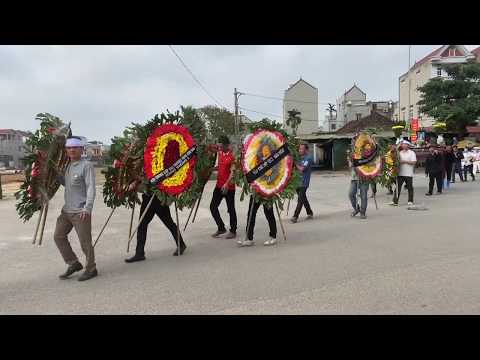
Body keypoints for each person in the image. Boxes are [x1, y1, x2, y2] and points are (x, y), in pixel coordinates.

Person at [54, 136, 97, 281]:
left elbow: (91, 187)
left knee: (85, 242)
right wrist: (54, 175)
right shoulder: (68, 166)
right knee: (58, 236)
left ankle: (91, 268)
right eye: (69, 148)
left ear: (81, 149)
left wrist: (87, 208)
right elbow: (68, 184)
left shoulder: (86, 166)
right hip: (66, 211)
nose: (72, 150)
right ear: (66, 150)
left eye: (75, 147)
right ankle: (73, 263)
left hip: (80, 212)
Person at [125, 181, 186, 263]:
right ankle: (139, 253)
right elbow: (142, 179)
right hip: (147, 198)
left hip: (159, 198)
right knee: (142, 224)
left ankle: (181, 244)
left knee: (169, 223)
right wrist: (134, 184)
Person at [209, 135, 237, 239]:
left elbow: (232, 172)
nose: (219, 148)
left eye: (221, 146)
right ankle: (221, 228)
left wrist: (227, 183)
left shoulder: (232, 156)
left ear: (226, 145)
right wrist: (212, 169)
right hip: (219, 185)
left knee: (231, 209)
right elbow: (220, 167)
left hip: (229, 187)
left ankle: (233, 231)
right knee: (212, 207)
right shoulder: (220, 154)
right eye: (219, 146)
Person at [291, 143, 314, 223]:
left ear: (306, 150)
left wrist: (295, 163)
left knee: (300, 199)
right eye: (299, 149)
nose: (300, 150)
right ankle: (310, 212)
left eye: (302, 149)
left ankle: (295, 216)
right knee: (303, 198)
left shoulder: (308, 158)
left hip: (304, 182)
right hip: (297, 182)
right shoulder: (299, 158)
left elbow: (301, 169)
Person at [390, 140, 416, 206]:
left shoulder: (411, 153)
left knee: (410, 187)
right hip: (400, 173)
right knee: (398, 188)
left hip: (408, 173)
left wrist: (405, 161)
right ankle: (395, 201)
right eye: (403, 145)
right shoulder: (400, 153)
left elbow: (414, 162)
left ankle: (410, 200)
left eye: (405, 144)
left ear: (408, 146)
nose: (404, 146)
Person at [347, 153, 368, 219]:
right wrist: (351, 161)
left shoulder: (367, 154)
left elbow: (369, 165)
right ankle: (356, 209)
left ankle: (363, 212)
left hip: (364, 178)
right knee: (351, 194)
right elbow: (350, 167)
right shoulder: (352, 154)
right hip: (354, 178)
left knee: (363, 196)